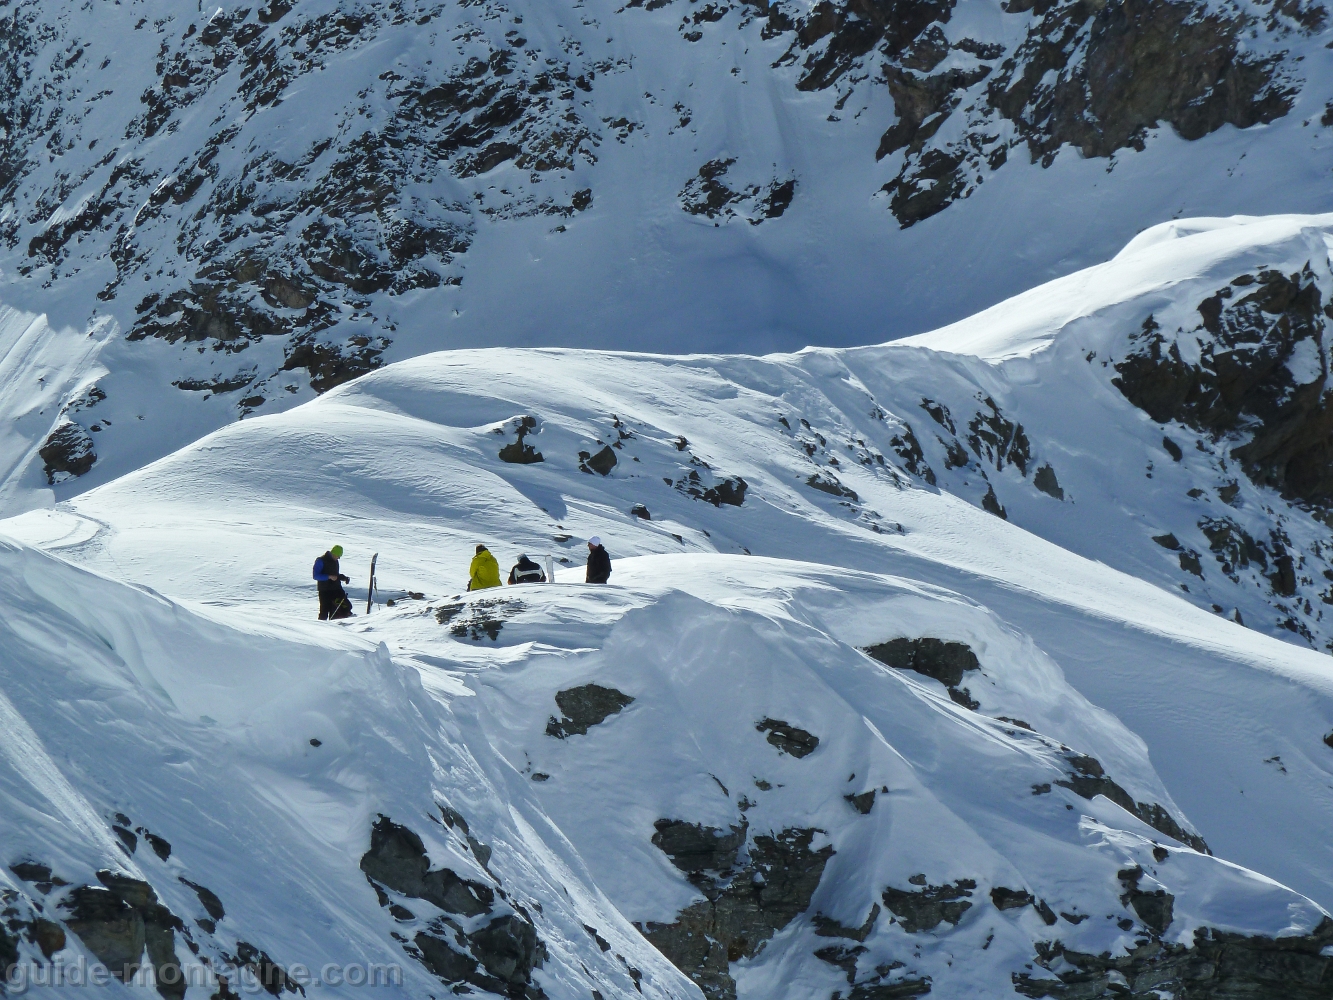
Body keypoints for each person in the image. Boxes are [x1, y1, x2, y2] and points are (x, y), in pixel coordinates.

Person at [313, 545, 353, 620]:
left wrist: (344, 578)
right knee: (324, 611)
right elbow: (316, 576)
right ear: (333, 553)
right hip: (325, 590)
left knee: (345, 606)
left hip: (336, 589)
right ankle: (320, 628)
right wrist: (328, 577)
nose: (338, 558)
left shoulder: (335, 561)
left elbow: (335, 574)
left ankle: (338, 625)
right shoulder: (320, 560)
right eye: (338, 556)